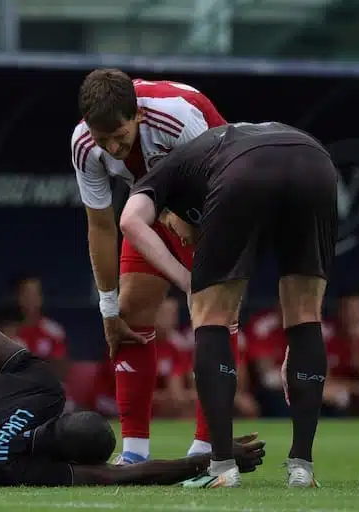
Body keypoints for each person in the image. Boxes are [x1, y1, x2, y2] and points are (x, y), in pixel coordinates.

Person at [119, 122, 337, 488]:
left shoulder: (164, 175)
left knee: (211, 316)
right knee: (305, 316)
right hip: (316, 162)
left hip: (246, 169)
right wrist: (300, 349)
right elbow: (307, 313)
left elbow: (129, 220)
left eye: (172, 227)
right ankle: (302, 467)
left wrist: (187, 282)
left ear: (173, 209)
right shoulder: (203, 156)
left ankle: (220, 467)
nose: (177, 234)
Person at [0, 317, 266, 487]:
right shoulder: (26, 469)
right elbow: (127, 476)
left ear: (67, 415)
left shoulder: (43, 387)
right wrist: (212, 462)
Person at [72, 68, 227, 464]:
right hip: (154, 207)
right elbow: (101, 227)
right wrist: (107, 310)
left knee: (214, 317)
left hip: (218, 202)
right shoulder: (85, 144)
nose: (111, 147)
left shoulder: (176, 115)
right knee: (127, 315)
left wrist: (182, 214)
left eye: (119, 136)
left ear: (137, 115)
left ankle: (209, 448)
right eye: (101, 138)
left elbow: (224, 188)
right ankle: (134, 452)